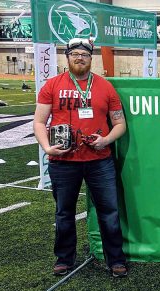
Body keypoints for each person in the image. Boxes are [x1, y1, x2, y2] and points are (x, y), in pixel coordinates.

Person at [33, 38, 128, 277]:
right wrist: (47, 147)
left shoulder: (105, 87)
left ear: (90, 58)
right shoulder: (52, 85)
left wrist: (105, 140)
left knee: (109, 212)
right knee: (64, 212)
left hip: (99, 160)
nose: (79, 58)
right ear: (67, 57)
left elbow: (119, 123)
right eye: (74, 53)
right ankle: (64, 259)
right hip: (63, 162)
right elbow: (39, 121)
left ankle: (115, 260)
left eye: (84, 54)